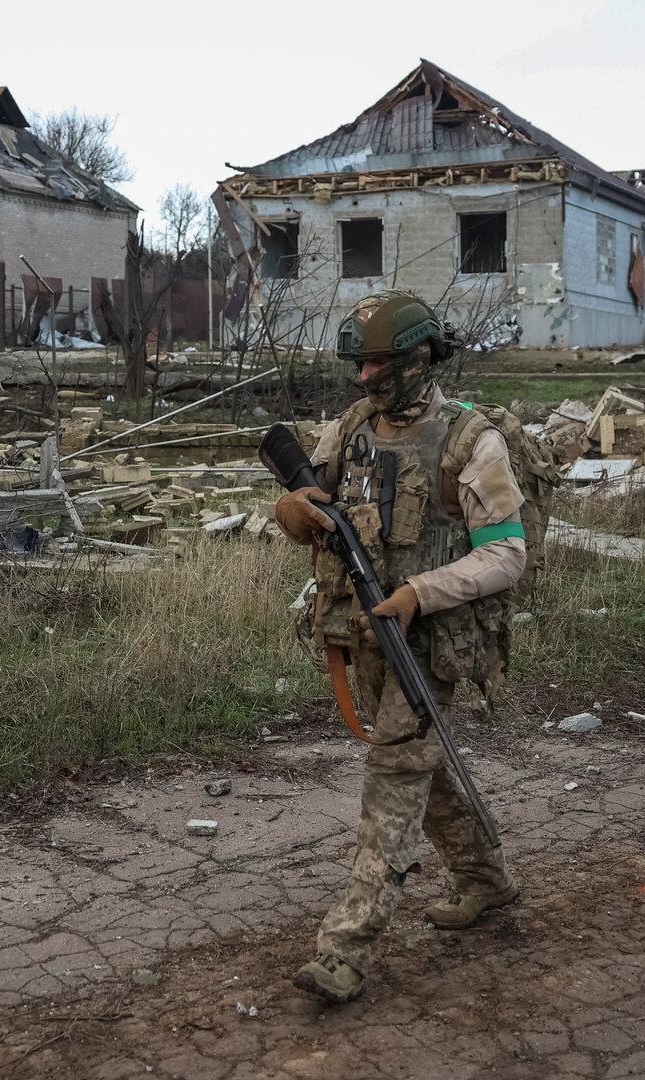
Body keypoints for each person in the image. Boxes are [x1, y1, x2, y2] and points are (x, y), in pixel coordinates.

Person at [274, 292, 524, 1004]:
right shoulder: (350, 426)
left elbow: (505, 553)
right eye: (359, 362)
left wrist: (420, 592)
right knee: (416, 763)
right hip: (360, 630)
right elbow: (309, 500)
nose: (364, 377)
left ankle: (345, 949)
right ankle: (486, 880)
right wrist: (291, 510)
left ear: (418, 358)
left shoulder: (470, 441)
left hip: (432, 639)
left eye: (378, 362)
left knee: (391, 774)